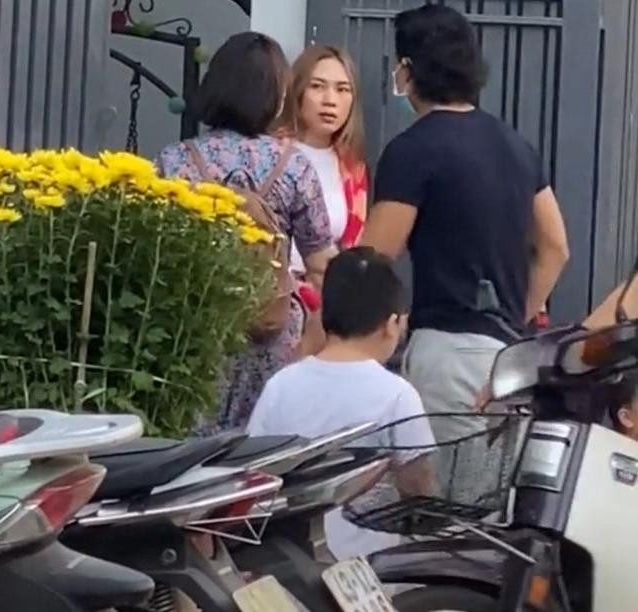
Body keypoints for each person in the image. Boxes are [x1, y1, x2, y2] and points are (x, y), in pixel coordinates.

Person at [360, 6, 569, 453]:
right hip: (511, 357)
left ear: (407, 70)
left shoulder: (412, 150)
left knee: (447, 491)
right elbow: (555, 247)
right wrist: (515, 316)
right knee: (495, 489)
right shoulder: (516, 146)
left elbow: (372, 261)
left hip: (448, 350)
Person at [156, 32, 336, 431]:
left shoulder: (174, 162)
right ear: (277, 95)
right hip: (272, 330)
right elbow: (322, 264)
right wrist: (316, 338)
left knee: (192, 439)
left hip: (195, 329)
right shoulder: (294, 165)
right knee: (264, 440)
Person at [247, 247, 436, 559]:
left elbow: (254, 473)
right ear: (392, 323)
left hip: (289, 564)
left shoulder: (281, 384)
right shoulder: (397, 395)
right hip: (367, 570)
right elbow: (418, 488)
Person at [276, 45, 369, 356]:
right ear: (297, 91)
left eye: (343, 90)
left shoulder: (352, 169)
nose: (330, 100)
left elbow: (352, 246)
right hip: (272, 301)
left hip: (326, 311)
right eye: (317, 86)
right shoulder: (272, 153)